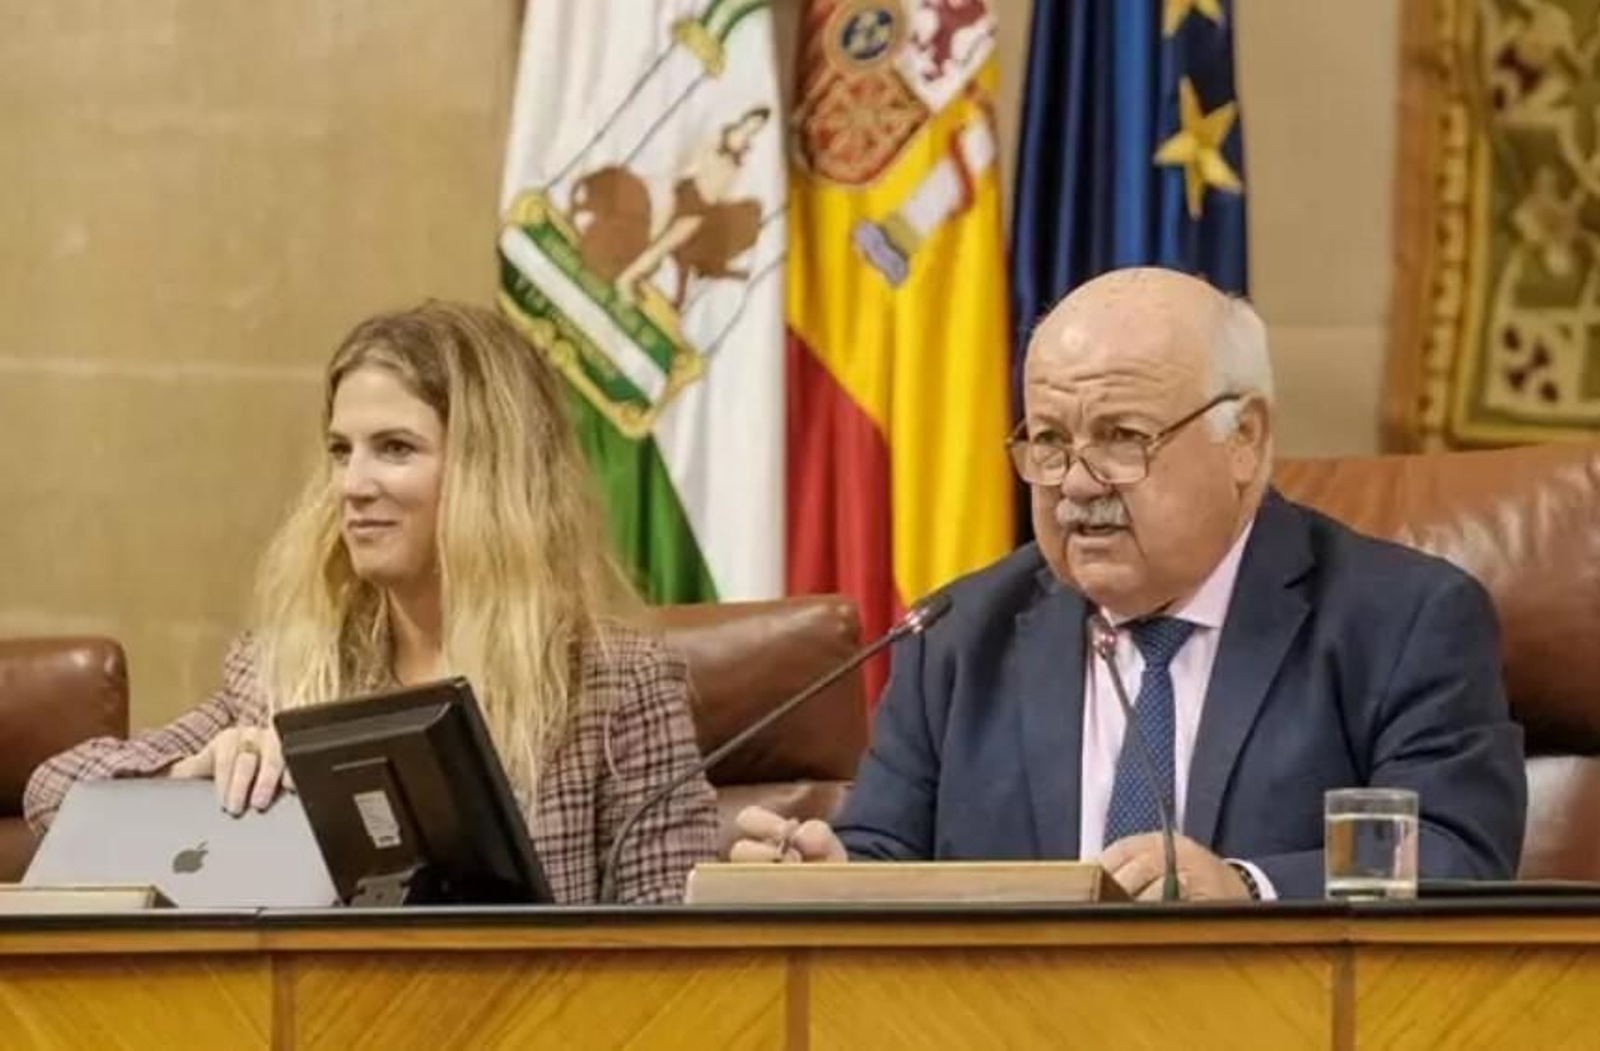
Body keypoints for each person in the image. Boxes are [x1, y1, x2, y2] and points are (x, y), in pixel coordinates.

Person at [733, 267, 1527, 900]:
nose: (1076, 483)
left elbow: (1454, 852)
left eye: (1121, 437)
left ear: (1244, 440)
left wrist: (1250, 887)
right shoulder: (958, 635)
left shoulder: (1399, 621)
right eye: (1049, 440)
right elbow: (887, 855)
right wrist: (827, 878)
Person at [24, 301, 718, 904]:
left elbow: (678, 945)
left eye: (394, 448)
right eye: (340, 450)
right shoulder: (287, 668)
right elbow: (52, 790)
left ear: (493, 471)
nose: (352, 485)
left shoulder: (616, 683)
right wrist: (186, 775)